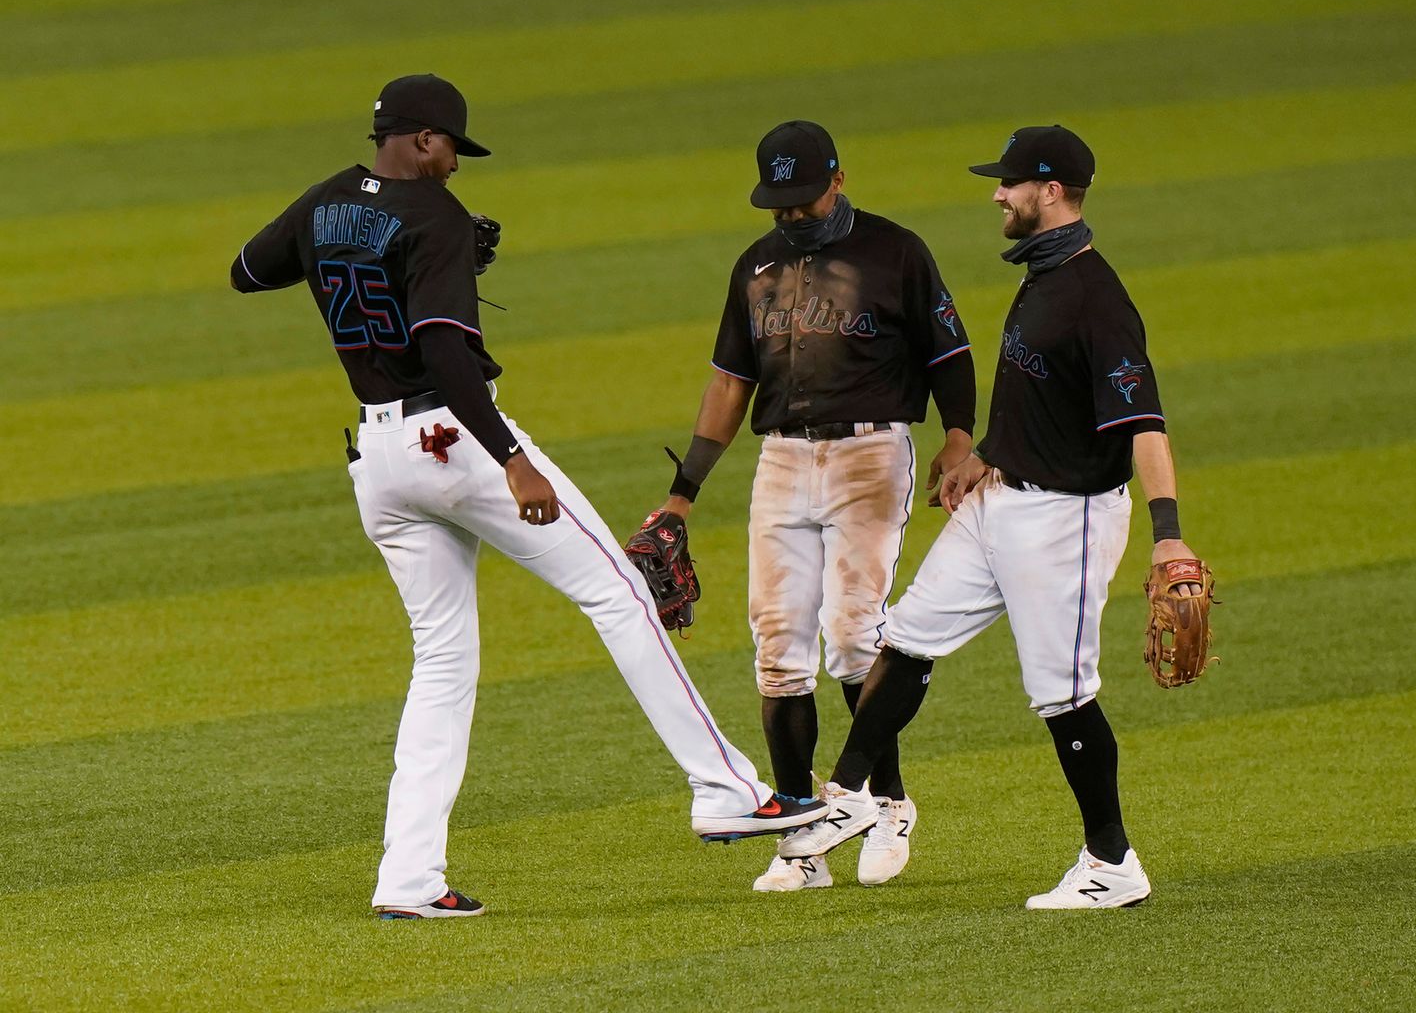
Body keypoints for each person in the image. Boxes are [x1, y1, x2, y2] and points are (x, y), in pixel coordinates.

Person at [228, 74, 824, 920]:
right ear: (425, 140)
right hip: (454, 439)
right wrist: (511, 458)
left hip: (378, 458)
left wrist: (369, 257)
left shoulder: (325, 201)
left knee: (441, 664)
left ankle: (408, 881)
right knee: (619, 592)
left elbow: (248, 273)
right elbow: (442, 347)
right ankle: (725, 788)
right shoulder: (433, 216)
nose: (453, 170)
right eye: (451, 152)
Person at [778, 125, 1205, 909]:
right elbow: (1041, 396)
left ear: (1050, 191)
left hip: (1065, 521)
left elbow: (1144, 422)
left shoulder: (1096, 298)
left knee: (1062, 694)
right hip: (1000, 500)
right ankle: (849, 794)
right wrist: (985, 455)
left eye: (1009, 184)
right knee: (906, 638)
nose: (996, 194)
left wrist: (1168, 530)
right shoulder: (1044, 276)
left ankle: (1112, 865)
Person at [653, 120, 977, 892]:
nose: (792, 216)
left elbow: (948, 354)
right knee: (776, 646)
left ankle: (886, 802)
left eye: (803, 200)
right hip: (782, 459)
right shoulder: (756, 265)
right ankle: (802, 833)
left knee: (856, 633)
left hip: (871, 454)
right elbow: (731, 383)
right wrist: (682, 493)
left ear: (838, 178)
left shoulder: (897, 251)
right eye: (780, 205)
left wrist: (960, 437)